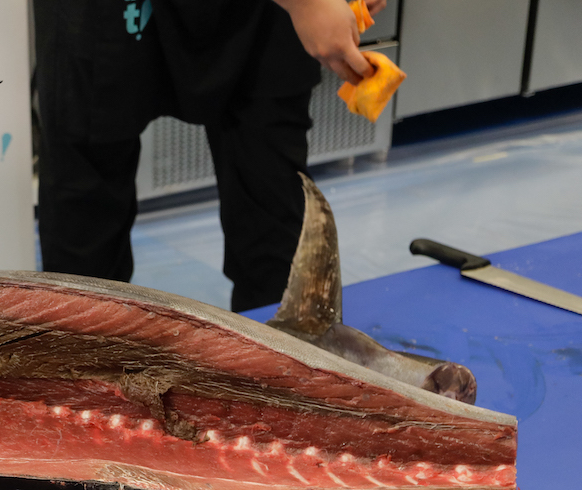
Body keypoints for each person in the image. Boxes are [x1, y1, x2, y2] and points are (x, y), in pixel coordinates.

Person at [34, 0, 386, 311]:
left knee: (274, 217)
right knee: (85, 238)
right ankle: (81, 370)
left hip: (263, 15)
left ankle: (273, 370)